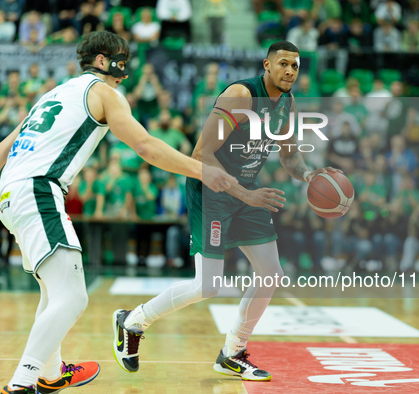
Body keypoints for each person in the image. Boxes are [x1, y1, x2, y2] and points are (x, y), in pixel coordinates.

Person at [0, 31, 236, 394]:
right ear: (101, 60)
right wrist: (202, 170)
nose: (125, 70)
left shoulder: (51, 96)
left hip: (10, 195)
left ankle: (51, 374)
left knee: (53, 294)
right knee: (73, 298)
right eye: (120, 60)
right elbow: (145, 146)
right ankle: (21, 383)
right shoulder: (102, 93)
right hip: (37, 190)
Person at [113, 41, 339, 381]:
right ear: (266, 65)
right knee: (208, 286)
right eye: (283, 64)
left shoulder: (287, 103)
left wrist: (310, 175)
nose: (290, 70)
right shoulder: (240, 96)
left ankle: (232, 352)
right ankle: (132, 321)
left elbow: (290, 155)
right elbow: (202, 154)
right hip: (212, 190)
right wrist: (244, 195)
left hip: (247, 192)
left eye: (295, 65)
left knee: (271, 274)